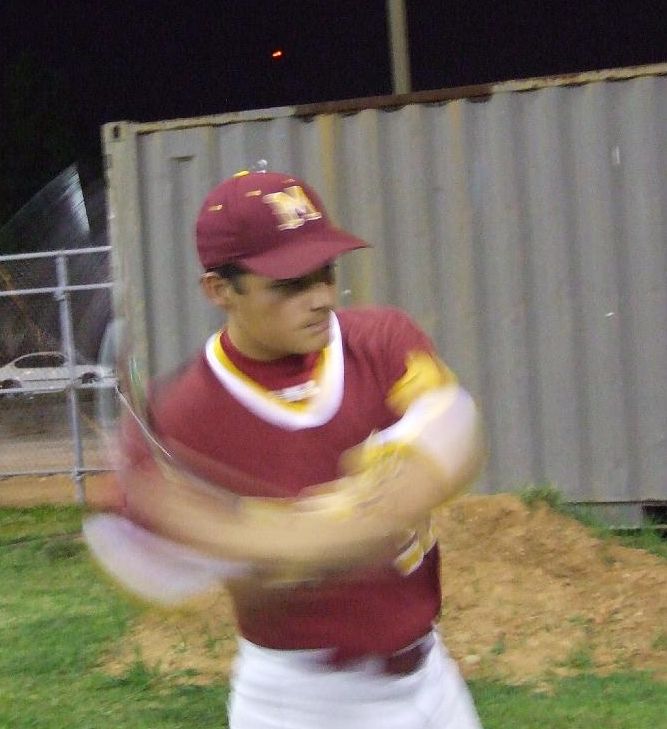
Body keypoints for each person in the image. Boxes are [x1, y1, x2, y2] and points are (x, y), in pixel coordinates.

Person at [88, 170, 485, 729]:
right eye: (289, 283)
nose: (321, 298)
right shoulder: (183, 412)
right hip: (301, 702)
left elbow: (455, 428)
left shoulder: (381, 340)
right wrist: (252, 541)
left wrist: (293, 536)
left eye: (325, 273)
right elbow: (132, 548)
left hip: (430, 681)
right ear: (219, 290)